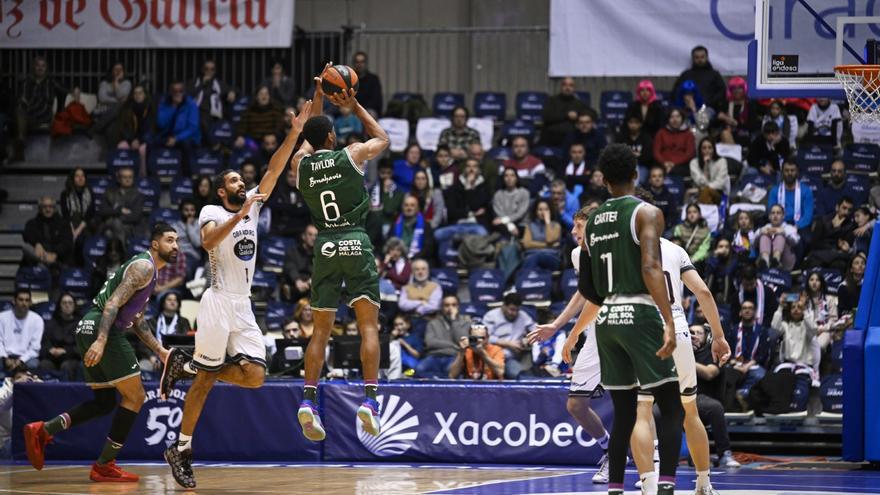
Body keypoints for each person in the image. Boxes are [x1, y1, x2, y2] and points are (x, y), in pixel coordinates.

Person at [161, 103, 312, 489]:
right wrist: (240, 212)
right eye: (233, 181)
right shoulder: (211, 210)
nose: (241, 183)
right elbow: (208, 241)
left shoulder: (253, 205)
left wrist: (295, 132)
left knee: (256, 376)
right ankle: (181, 448)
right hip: (217, 300)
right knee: (204, 384)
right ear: (221, 190)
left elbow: (275, 167)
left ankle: (188, 364)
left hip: (242, 304)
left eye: (242, 180)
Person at [23, 224, 178, 482]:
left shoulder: (148, 271)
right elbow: (113, 303)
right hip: (103, 328)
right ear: (155, 244)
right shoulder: (144, 267)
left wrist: (160, 350)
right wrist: (102, 340)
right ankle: (104, 465)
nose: (176, 246)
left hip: (88, 326)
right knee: (136, 396)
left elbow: (138, 320)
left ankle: (44, 430)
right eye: (170, 240)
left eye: (177, 241)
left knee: (104, 402)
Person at [572, 144, 684, 495]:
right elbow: (651, 267)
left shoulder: (591, 223)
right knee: (671, 406)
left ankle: (615, 489)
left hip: (606, 319)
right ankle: (665, 488)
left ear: (603, 180)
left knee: (623, 413)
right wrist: (668, 319)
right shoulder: (646, 212)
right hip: (639, 312)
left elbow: (588, 289)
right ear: (636, 174)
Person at [283, 81, 390, 445]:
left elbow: (307, 139)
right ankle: (370, 401)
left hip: (325, 244)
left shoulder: (300, 165)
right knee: (368, 328)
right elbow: (382, 138)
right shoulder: (351, 154)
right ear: (332, 136)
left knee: (320, 332)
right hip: (354, 240)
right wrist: (353, 104)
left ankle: (308, 401)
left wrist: (317, 99)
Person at [629, 237, 731, 495]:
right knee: (690, 411)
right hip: (678, 329)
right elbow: (704, 292)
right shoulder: (675, 249)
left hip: (643, 330)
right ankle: (704, 483)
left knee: (642, 411)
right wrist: (718, 337)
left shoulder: (624, 247)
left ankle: (649, 484)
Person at [527, 206, 614, 484]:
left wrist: (572, 333)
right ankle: (610, 450)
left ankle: (655, 463)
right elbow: (584, 294)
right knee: (576, 405)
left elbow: (598, 298)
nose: (573, 231)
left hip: (624, 329)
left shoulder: (616, 251)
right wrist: (556, 325)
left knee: (637, 403)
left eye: (579, 226)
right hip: (595, 334)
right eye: (574, 225)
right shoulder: (578, 254)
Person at [691, 324, 741, 468]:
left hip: (701, 397)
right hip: (678, 397)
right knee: (655, 412)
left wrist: (685, 360)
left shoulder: (713, 352)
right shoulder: (677, 352)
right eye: (691, 332)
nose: (694, 336)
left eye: (698, 333)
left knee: (715, 407)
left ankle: (724, 454)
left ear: (707, 337)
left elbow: (709, 373)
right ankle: (655, 456)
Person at [14, 56, 66, 161]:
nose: (40, 68)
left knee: (22, 119)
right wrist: (23, 102)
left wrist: (75, 91)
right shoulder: (27, 82)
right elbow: (22, 99)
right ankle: (20, 142)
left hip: (44, 113)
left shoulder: (51, 82)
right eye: (38, 65)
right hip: (29, 112)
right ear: (34, 67)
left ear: (46, 68)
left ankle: (19, 144)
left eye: (43, 66)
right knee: (20, 111)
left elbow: (65, 91)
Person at [415, 295, 471, 378]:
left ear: (458, 306)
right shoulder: (433, 323)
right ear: (442, 307)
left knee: (452, 371)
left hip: (454, 356)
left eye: (453, 305)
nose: (450, 308)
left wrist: (454, 320)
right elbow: (430, 342)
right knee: (419, 369)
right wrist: (453, 345)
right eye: (447, 305)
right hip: (434, 356)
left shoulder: (465, 323)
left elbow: (462, 341)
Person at [482, 293, 534, 380]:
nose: (514, 313)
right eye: (512, 309)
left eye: (517, 310)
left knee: (520, 375)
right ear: (503, 306)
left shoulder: (523, 316)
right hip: (492, 358)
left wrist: (528, 339)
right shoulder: (491, 316)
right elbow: (484, 338)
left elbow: (536, 331)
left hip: (511, 359)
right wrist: (507, 344)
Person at [157, 81, 201, 172]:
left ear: (184, 91)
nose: (177, 93)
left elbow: (193, 127)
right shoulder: (164, 102)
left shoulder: (191, 104)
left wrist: (176, 138)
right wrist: (174, 107)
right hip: (169, 134)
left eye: (180, 90)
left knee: (186, 144)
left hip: (188, 137)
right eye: (174, 91)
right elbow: (161, 123)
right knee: (152, 143)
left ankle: (187, 175)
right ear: (170, 92)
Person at [23, 196, 74, 272]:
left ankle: (46, 265)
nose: (48, 209)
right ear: (40, 208)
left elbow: (67, 242)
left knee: (41, 266)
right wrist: (37, 243)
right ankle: (47, 264)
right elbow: (27, 235)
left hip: (57, 257)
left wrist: (55, 253)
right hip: (40, 254)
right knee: (26, 247)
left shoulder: (63, 224)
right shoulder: (32, 223)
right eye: (45, 207)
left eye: (50, 206)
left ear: (54, 208)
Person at [112, 85, 153, 176]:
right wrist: (131, 140)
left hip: (145, 140)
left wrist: (140, 141)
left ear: (144, 95)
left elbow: (150, 129)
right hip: (131, 139)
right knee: (121, 146)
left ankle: (142, 177)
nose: (138, 95)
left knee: (142, 149)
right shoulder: (127, 108)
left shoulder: (150, 108)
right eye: (135, 93)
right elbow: (124, 128)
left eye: (140, 93)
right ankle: (123, 176)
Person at [188, 59, 236, 138]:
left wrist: (232, 92)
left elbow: (233, 88)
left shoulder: (218, 83)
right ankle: (214, 143)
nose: (209, 71)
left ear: (215, 71)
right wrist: (202, 84)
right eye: (206, 69)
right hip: (198, 113)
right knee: (203, 122)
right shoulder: (194, 82)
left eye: (212, 69)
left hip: (215, 115)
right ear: (202, 70)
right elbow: (188, 95)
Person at [39, 293, 81, 381]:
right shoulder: (51, 323)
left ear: (74, 306)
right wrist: (50, 349)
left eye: (70, 303)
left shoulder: (81, 324)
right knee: (44, 364)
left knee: (66, 366)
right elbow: (45, 342)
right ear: (59, 306)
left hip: (71, 358)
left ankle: (68, 390)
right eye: (64, 303)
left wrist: (65, 351)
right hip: (52, 357)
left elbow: (81, 347)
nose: (67, 305)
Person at [806, 196, 855, 271]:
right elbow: (815, 242)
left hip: (836, 255)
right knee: (815, 261)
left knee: (840, 264)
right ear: (837, 207)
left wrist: (838, 229)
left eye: (849, 210)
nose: (846, 212)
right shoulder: (823, 220)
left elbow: (845, 245)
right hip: (821, 251)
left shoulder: (850, 226)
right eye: (844, 208)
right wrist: (835, 228)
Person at [443, 158, 492, 233]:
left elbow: (476, 206)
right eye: (468, 166)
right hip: (457, 224)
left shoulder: (484, 187)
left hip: (476, 225)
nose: (471, 169)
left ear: (479, 170)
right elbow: (451, 211)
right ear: (464, 169)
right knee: (438, 234)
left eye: (474, 166)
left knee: (482, 232)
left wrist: (468, 187)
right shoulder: (455, 187)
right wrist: (471, 213)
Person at [0, 289, 44, 372]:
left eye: (27, 300)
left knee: (33, 364)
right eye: (21, 300)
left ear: (30, 303)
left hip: (26, 357)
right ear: (14, 301)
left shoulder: (37, 320)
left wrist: (21, 360)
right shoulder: (2, 317)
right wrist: (5, 358)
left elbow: (35, 348)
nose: (24, 303)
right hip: (5, 356)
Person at [672, 46, 726, 111]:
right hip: (686, 108)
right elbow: (676, 92)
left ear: (707, 58)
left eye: (702, 57)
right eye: (697, 57)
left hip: (707, 108)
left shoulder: (714, 74)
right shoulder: (686, 75)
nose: (700, 60)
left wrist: (710, 103)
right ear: (693, 59)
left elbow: (721, 92)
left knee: (702, 117)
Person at [99, 167, 144, 243]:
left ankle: (120, 249)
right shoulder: (109, 193)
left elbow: (136, 216)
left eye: (130, 177)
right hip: (109, 225)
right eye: (125, 177)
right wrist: (120, 210)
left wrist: (114, 216)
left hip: (129, 227)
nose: (128, 179)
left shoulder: (138, 195)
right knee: (109, 230)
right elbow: (102, 211)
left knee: (109, 233)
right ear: (119, 179)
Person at [542, 77, 591, 146]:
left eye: (571, 85)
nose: (567, 88)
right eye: (565, 85)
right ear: (561, 87)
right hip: (551, 136)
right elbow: (546, 117)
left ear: (574, 88)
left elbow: (592, 114)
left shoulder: (579, 103)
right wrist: (566, 115)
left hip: (571, 139)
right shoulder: (551, 101)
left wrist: (578, 116)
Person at [768, 159, 814, 232]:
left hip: (800, 227)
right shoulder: (774, 191)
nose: (789, 173)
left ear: (797, 172)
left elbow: (807, 216)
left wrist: (796, 227)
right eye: (786, 170)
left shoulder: (806, 191)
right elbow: (771, 213)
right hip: (778, 226)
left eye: (792, 170)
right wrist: (781, 228)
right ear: (782, 172)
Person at [60, 168, 96, 259]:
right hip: (71, 223)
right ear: (72, 178)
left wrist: (77, 231)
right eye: (77, 176)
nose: (80, 178)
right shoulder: (65, 194)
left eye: (82, 176)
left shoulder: (89, 192)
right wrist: (72, 230)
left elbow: (90, 213)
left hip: (85, 224)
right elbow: (66, 214)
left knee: (82, 239)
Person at [268, 167, 311, 238]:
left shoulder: (305, 191)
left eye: (295, 177)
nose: (293, 179)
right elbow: (272, 205)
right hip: (281, 229)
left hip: (300, 229)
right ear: (286, 177)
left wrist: (287, 207)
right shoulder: (279, 191)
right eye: (290, 176)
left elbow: (307, 209)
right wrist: (294, 207)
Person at [755, 204, 800, 271]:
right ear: (769, 216)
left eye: (778, 213)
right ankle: (765, 261)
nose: (775, 216)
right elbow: (753, 244)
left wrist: (784, 232)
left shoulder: (789, 227)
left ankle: (776, 260)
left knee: (780, 236)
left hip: (785, 262)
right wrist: (759, 232)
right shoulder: (765, 227)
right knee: (764, 235)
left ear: (783, 216)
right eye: (773, 213)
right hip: (768, 262)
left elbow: (796, 242)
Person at [521, 199, 562, 271]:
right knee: (535, 259)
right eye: (540, 210)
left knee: (541, 257)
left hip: (551, 256)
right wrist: (549, 246)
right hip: (532, 255)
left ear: (550, 210)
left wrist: (547, 222)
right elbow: (527, 244)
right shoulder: (530, 226)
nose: (543, 212)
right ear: (536, 211)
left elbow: (549, 239)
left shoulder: (556, 226)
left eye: (546, 209)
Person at [653, 108, 695, 177]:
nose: (675, 120)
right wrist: (664, 163)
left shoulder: (688, 134)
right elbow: (656, 152)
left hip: (681, 165)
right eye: (672, 117)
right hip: (663, 164)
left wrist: (674, 163)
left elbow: (689, 154)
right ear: (668, 119)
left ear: (682, 118)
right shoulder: (661, 133)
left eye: (678, 116)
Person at [391, 195, 435, 260]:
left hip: (419, 259)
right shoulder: (395, 224)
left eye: (412, 205)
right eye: (406, 205)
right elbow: (390, 243)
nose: (409, 208)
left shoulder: (425, 225)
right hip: (398, 258)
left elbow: (428, 248)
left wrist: (414, 258)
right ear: (402, 207)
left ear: (417, 208)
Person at [93, 62, 132, 136]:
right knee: (118, 105)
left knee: (112, 126)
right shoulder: (104, 83)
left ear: (123, 71)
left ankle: (95, 128)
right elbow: (102, 98)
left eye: (120, 69)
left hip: (118, 115)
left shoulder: (127, 83)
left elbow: (121, 95)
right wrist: (118, 101)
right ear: (111, 71)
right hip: (103, 111)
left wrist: (116, 82)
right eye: (116, 69)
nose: (118, 72)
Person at [282, 225, 317, 302]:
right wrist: (297, 280)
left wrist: (310, 283)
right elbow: (290, 267)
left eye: (315, 235)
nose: (313, 238)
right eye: (310, 234)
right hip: (295, 285)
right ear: (303, 236)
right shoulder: (293, 251)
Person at [717, 76, 755, 147]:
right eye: (734, 88)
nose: (737, 90)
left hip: (743, 134)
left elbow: (752, 126)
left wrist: (735, 123)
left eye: (739, 88)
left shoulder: (749, 105)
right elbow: (719, 118)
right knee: (724, 133)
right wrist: (725, 118)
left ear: (744, 89)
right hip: (727, 133)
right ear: (730, 90)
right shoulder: (726, 104)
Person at [688, 138, 729, 204]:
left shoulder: (722, 161)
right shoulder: (694, 163)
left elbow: (720, 183)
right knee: (707, 195)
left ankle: (701, 207)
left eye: (710, 148)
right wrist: (705, 166)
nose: (707, 150)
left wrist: (707, 188)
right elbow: (699, 182)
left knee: (707, 191)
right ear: (700, 150)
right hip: (699, 193)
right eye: (704, 148)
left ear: (714, 149)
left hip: (717, 192)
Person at [492, 167, 530, 237]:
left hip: (521, 224)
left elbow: (521, 213)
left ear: (516, 178)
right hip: (504, 224)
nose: (509, 178)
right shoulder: (498, 194)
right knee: (496, 224)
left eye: (512, 175)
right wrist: (510, 225)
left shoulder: (524, 193)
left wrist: (506, 220)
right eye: (506, 176)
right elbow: (499, 213)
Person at [171, 199, 202, 280]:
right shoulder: (175, 226)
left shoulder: (199, 225)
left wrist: (189, 226)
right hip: (177, 254)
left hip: (192, 256)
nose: (189, 213)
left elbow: (197, 243)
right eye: (186, 210)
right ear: (181, 211)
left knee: (185, 266)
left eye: (192, 210)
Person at [646, 166, 678, 231]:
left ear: (664, 179)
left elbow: (672, 215)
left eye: (660, 176)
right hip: (647, 227)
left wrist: (664, 226)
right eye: (654, 176)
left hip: (665, 229)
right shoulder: (645, 195)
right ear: (650, 179)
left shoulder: (669, 196)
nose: (657, 179)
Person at [351, 52, 383, 117]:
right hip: (352, 109)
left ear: (366, 63)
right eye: (357, 62)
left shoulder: (373, 79)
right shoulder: (350, 79)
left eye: (362, 62)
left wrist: (361, 109)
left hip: (369, 110)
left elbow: (376, 100)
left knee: (371, 114)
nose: (359, 64)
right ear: (354, 64)